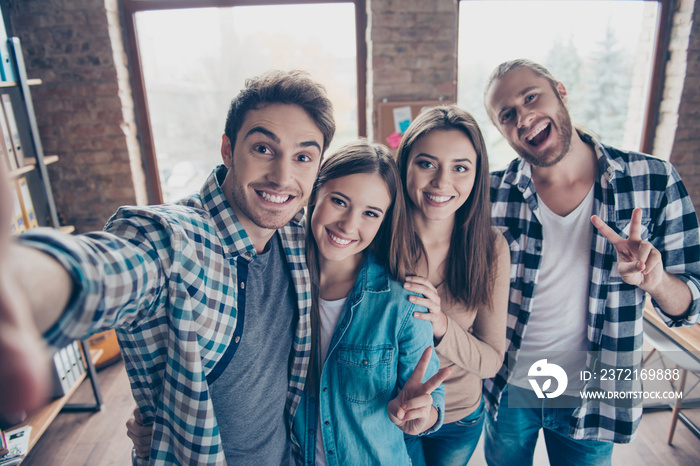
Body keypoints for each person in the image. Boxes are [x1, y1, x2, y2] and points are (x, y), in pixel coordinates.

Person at [0, 69, 335, 465]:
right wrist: (20, 279)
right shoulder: (174, 240)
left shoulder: (300, 234)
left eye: (302, 157)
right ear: (228, 150)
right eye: (263, 149)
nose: (282, 177)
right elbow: (108, 269)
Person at [482, 58, 700, 466]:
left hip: (593, 397)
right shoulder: (490, 194)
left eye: (532, 97)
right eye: (507, 114)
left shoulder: (653, 179)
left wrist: (656, 282)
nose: (524, 117)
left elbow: (691, 303)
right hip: (509, 390)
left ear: (560, 93)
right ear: (501, 131)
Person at [292, 140, 449, 464]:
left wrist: (422, 415)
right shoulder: (279, 278)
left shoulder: (403, 304)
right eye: (339, 201)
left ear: (383, 222)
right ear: (314, 192)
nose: (349, 225)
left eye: (370, 213)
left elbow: (430, 400)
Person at [396, 106, 510, 465]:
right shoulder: (378, 236)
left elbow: (491, 360)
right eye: (426, 163)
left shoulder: (491, 247)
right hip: (391, 410)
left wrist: (443, 325)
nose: (442, 183)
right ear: (404, 165)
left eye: (460, 168)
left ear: (477, 176)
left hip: (459, 415)